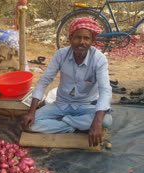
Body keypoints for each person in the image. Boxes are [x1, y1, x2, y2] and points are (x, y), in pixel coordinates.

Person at [21, 17, 112, 147]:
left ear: (92, 41)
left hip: (86, 105)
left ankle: (63, 123)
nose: (81, 42)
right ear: (70, 38)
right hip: (62, 104)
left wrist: (97, 122)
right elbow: (44, 80)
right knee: (29, 124)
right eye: (77, 37)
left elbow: (105, 90)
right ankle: (72, 126)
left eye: (86, 38)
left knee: (106, 121)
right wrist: (32, 111)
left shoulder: (99, 59)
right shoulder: (61, 55)